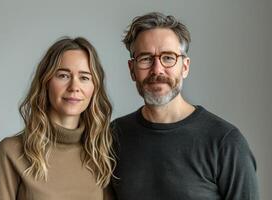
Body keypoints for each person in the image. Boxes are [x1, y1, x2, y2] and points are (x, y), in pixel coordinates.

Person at [111, 12, 259, 200]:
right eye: (146, 59)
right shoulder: (114, 136)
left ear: (185, 67)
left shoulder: (226, 142)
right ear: (132, 69)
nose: (157, 69)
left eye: (168, 57)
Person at [0, 37, 115, 200]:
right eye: (63, 75)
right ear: (46, 82)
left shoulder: (102, 155)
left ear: (94, 88)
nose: (74, 87)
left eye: (84, 77)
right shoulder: (11, 152)